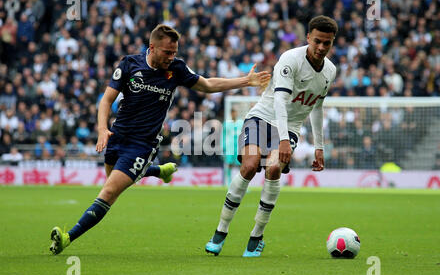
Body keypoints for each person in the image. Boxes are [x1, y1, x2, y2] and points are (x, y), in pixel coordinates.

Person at [49, 24, 270, 255]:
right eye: (167, 52)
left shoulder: (177, 69)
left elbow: (206, 84)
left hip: (142, 145)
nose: (171, 57)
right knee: (120, 179)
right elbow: (105, 101)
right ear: (152, 47)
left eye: (174, 52)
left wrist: (245, 81)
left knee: (108, 193)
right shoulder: (129, 64)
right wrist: (102, 129)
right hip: (117, 137)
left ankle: (67, 238)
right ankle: (158, 171)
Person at [205, 15, 337, 257]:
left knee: (273, 169)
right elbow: (279, 100)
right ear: (308, 38)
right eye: (317, 41)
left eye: (326, 43)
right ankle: (221, 231)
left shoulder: (330, 71)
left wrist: (319, 146)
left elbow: (317, 107)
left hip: (292, 126)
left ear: (332, 43)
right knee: (249, 166)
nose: (321, 47)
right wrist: (284, 139)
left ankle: (256, 236)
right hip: (261, 117)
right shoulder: (290, 59)